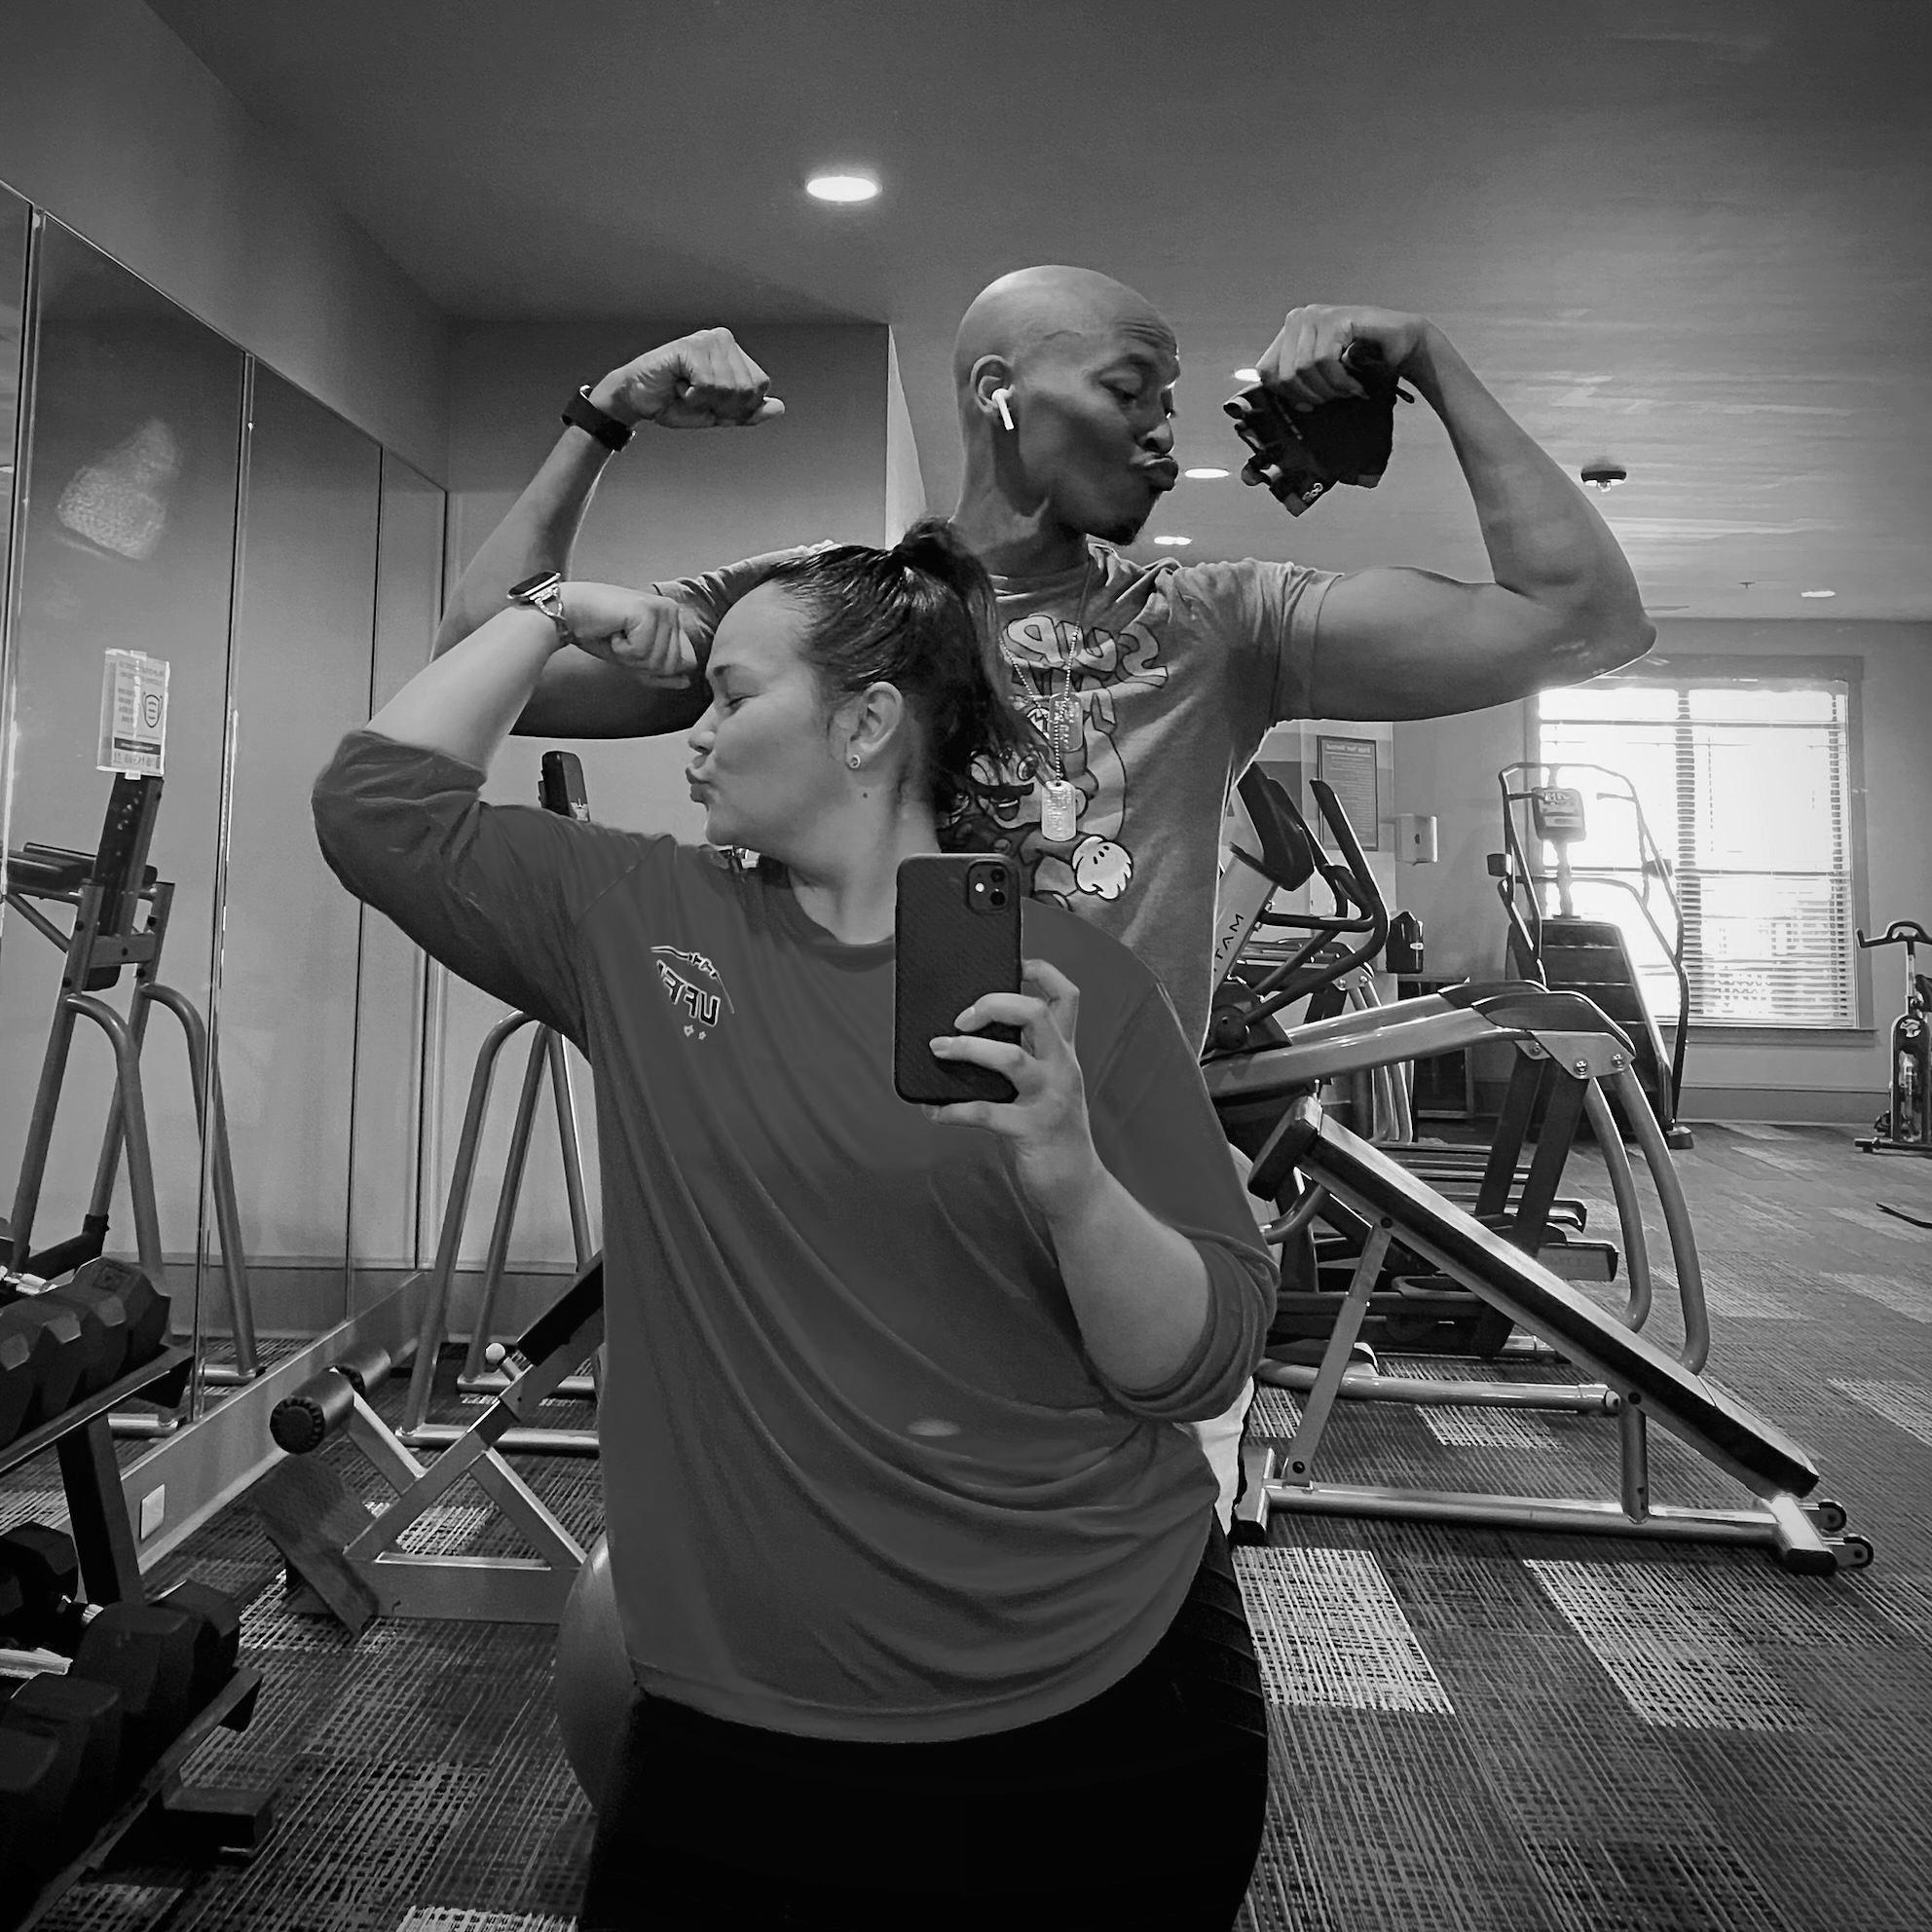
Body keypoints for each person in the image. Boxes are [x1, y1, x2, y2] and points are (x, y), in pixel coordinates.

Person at [430, 265, 1655, 1532]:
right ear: (998, 394)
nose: (1165, 436)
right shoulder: (826, 614)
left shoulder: (1215, 624)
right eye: (1131, 391)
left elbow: (1582, 619)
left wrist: (1431, 361)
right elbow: (482, 662)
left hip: (1108, 1208)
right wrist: (603, 417)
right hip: (850, 1201)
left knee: (1137, 1589)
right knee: (820, 1573)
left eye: (1171, 403)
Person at [313, 520, 1278, 1928]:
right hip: (739, 1714)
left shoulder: (1074, 987)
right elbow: (375, 808)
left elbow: (1198, 1363)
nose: (694, 735)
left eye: (731, 696)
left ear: (868, 724)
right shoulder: (636, 920)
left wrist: (1071, 1176)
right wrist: (545, 609)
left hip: (1102, 1690)